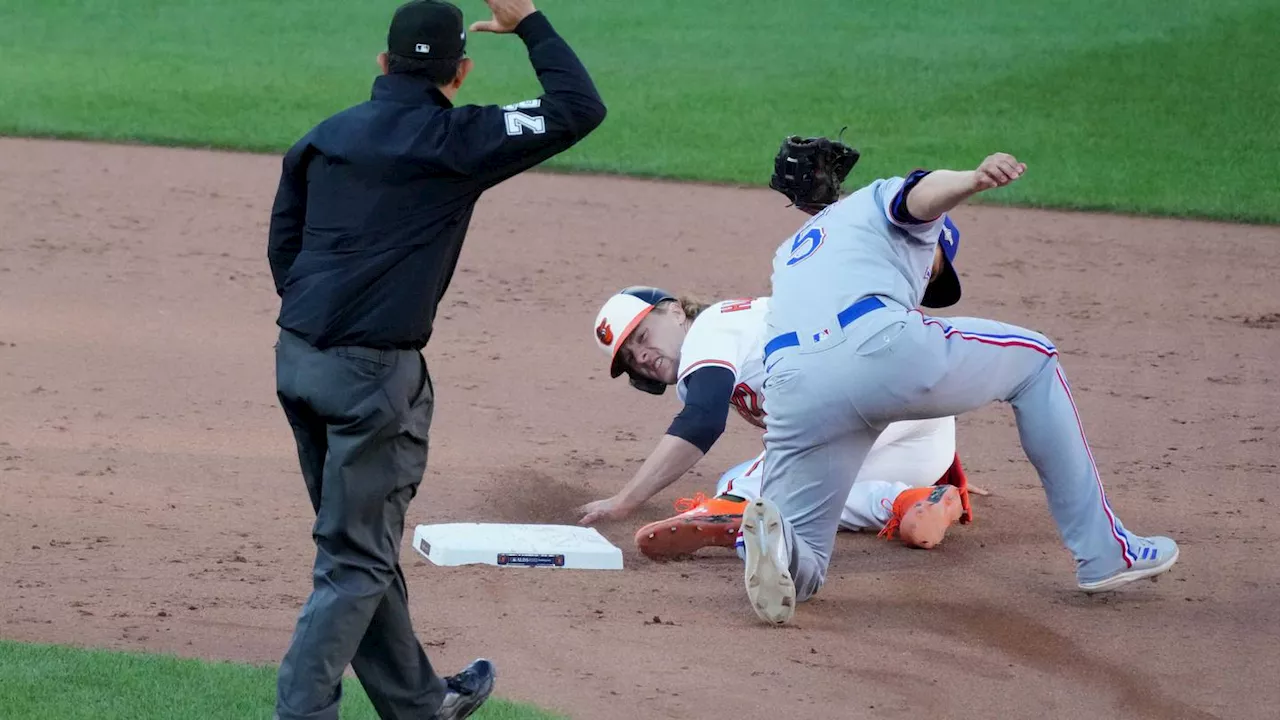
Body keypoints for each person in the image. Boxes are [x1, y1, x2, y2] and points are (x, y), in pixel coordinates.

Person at [266, 0, 606, 716]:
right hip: (371, 379)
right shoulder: (458, 137)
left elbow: (284, 247)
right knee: (355, 559)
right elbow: (577, 108)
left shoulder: (324, 138)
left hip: (299, 360)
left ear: (382, 64)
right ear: (460, 72)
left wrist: (322, 333)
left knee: (362, 545)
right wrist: (532, 24)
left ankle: (419, 705)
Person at [742, 135, 1179, 625]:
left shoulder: (792, 252)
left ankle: (780, 551)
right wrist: (971, 180)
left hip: (791, 381)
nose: (929, 282)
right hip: (876, 345)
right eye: (937, 273)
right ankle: (1104, 553)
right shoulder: (892, 208)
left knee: (804, 565)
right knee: (1037, 359)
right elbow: (921, 193)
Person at [577, 285, 976, 559]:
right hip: (920, 439)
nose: (642, 356)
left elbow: (702, 422)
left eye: (643, 337)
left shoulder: (711, 327)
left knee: (740, 485)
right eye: (630, 356)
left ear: (677, 312)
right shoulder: (713, 357)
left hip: (881, 401)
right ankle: (905, 501)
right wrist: (946, 466)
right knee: (806, 492)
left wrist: (624, 501)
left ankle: (729, 509)